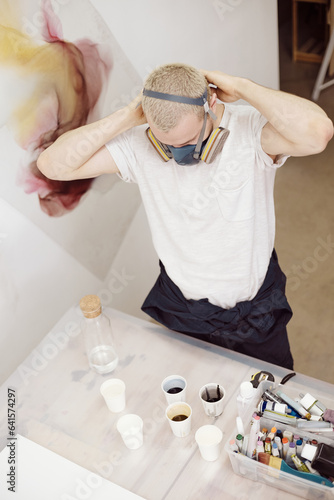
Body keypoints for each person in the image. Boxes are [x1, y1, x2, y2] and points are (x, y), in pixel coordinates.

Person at [37, 63, 333, 369]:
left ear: (212, 107)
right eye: (168, 145)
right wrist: (128, 115)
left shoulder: (251, 132)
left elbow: (318, 133)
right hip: (185, 312)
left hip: (256, 311)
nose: (178, 154)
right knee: (195, 401)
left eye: (189, 141)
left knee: (272, 401)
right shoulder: (139, 146)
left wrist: (243, 86)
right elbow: (53, 166)